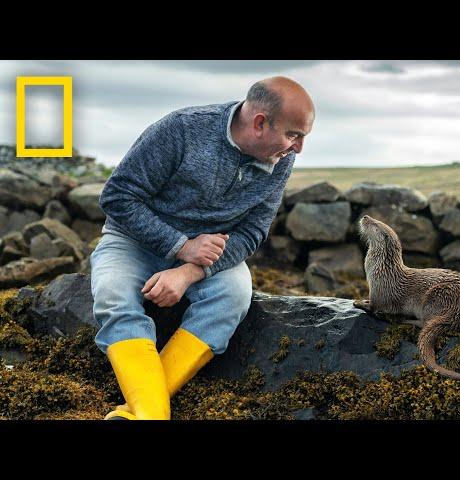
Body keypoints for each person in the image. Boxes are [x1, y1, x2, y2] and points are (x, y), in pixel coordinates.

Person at [89, 76, 315, 420]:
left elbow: (253, 231)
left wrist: (189, 271)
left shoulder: (280, 156)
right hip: (131, 242)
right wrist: (181, 246)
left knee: (234, 295)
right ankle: (154, 414)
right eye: (294, 135)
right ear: (259, 123)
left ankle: (143, 410)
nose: (298, 148)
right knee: (112, 295)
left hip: (208, 254)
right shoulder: (181, 130)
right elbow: (117, 197)